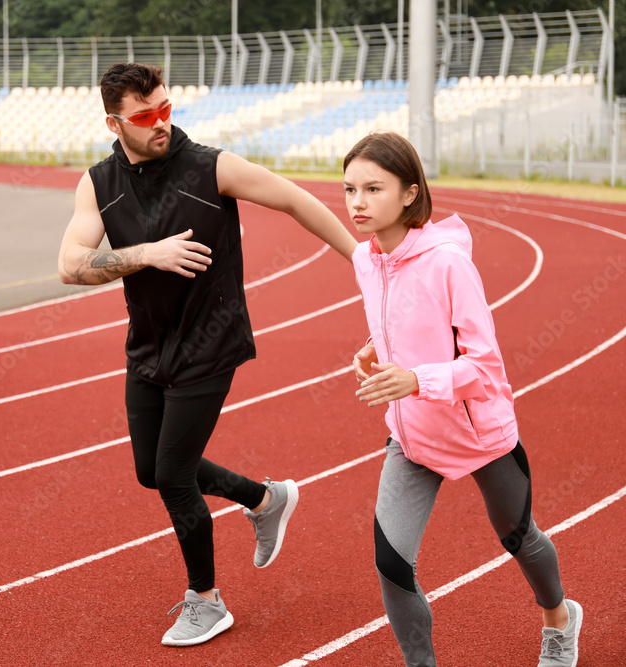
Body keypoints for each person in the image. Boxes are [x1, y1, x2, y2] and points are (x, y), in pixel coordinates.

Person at [57, 62, 358, 646]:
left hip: (210, 341)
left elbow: (297, 201)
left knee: (172, 473)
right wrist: (148, 253)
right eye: (145, 116)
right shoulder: (98, 183)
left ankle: (206, 600)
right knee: (151, 471)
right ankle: (266, 499)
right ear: (114, 122)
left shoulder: (210, 166)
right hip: (147, 346)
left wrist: (369, 268)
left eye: (166, 108)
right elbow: (69, 266)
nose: (162, 122)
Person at [345, 131, 581, 667]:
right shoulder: (365, 258)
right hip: (411, 435)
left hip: (478, 432)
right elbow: (400, 319)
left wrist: (415, 379)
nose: (357, 202)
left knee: (519, 537)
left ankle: (559, 617)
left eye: (372, 189)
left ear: (409, 193)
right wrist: (373, 348)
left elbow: (483, 364)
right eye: (349, 189)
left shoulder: (448, 262)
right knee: (391, 561)